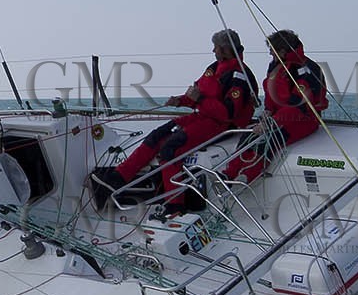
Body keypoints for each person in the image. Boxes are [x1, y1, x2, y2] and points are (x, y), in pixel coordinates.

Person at [90, 29, 257, 211]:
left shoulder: (239, 75)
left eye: (215, 47)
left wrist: (199, 99)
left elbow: (228, 113)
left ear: (225, 49)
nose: (213, 51)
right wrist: (180, 101)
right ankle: (117, 178)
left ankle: (175, 204)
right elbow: (198, 95)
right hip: (202, 116)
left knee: (171, 148)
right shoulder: (215, 67)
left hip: (220, 124)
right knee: (157, 135)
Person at [224, 29, 328, 185]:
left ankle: (246, 176)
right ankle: (229, 174)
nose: (270, 54)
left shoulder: (307, 70)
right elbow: (272, 94)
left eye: (273, 51)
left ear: (283, 51)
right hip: (277, 117)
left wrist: (272, 122)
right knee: (248, 136)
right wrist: (268, 111)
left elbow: (298, 104)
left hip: (303, 119)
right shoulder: (275, 66)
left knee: (270, 139)